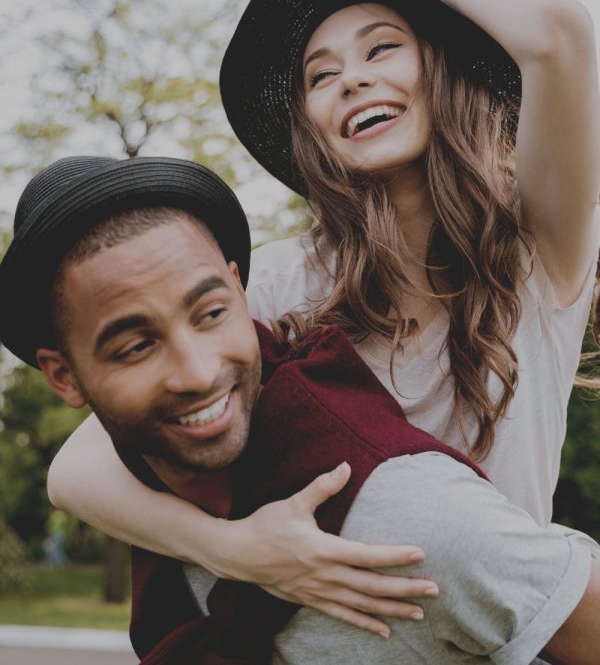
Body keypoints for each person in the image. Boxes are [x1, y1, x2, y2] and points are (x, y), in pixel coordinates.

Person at [46, 0, 600, 630]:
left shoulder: (537, 250)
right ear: (310, 124)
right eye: (322, 75)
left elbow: (558, 31)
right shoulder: (285, 277)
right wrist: (236, 551)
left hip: (495, 629)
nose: (352, 80)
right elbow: (74, 471)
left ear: (438, 69)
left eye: (383, 48)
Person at [1, 154, 599, 665]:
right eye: (135, 346)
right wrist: (224, 549)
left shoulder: (411, 518)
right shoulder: (151, 498)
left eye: (210, 313)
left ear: (241, 291)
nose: (198, 372)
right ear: (63, 376)